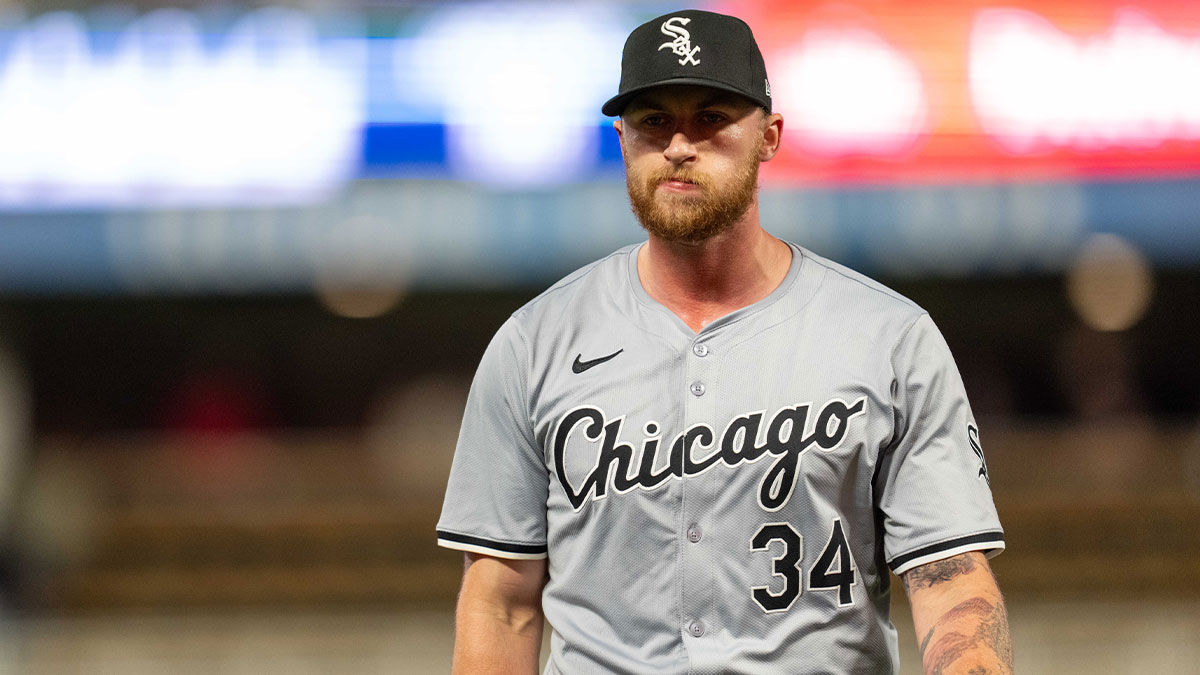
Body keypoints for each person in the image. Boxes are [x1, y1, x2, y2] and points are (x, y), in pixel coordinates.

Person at [437, 9, 1011, 674]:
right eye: (654, 121)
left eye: (711, 117)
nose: (680, 144)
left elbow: (952, 580)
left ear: (769, 136)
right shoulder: (534, 343)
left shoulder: (889, 339)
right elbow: (501, 603)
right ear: (622, 137)